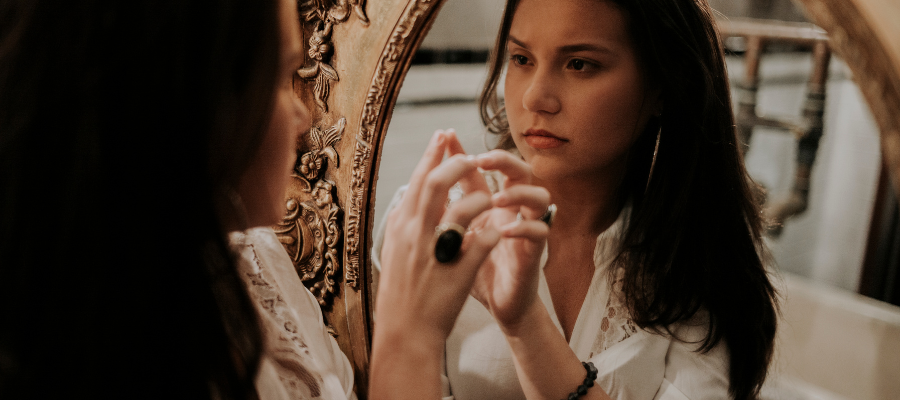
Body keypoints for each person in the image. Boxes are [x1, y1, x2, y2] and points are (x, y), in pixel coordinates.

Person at [0, 0, 526, 399]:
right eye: (283, 77)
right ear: (194, 103)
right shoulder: (85, 337)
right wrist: (409, 340)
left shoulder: (255, 262)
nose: (304, 115)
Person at [373, 0, 779, 399]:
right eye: (520, 58)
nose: (535, 97)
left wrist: (526, 324)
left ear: (661, 86)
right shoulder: (434, 230)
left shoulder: (702, 252)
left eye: (579, 64)